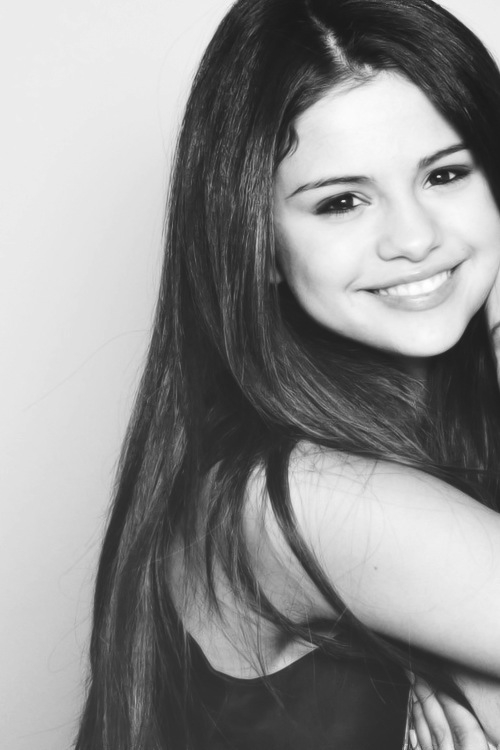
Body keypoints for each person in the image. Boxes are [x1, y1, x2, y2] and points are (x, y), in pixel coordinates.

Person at [75, 0, 500, 748]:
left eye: (444, 174)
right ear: (260, 245)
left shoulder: (417, 437)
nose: (413, 237)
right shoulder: (309, 497)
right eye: (342, 201)